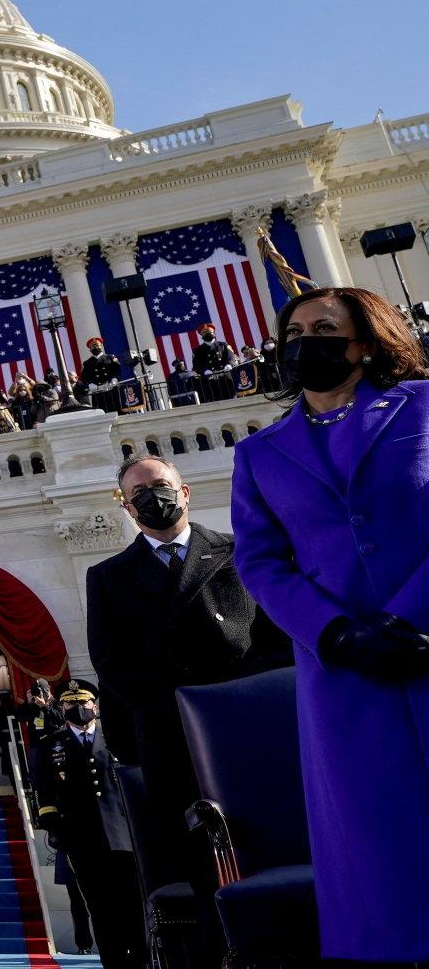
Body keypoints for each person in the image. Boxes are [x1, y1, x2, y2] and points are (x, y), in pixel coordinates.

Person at [229, 285, 429, 965]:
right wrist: (337, 633)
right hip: (344, 676)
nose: (301, 342)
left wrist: (406, 616)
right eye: (291, 333)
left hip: (423, 642)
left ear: (364, 342)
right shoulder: (258, 455)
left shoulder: (423, 406)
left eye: (321, 328)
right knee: (376, 849)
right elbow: (260, 563)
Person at [86, 454, 290, 911]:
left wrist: (232, 699)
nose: (151, 497)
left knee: (272, 846)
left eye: (158, 484)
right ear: (127, 508)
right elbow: (109, 660)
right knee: (197, 861)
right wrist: (176, 702)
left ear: (185, 492)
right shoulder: (107, 577)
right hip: (170, 737)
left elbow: (276, 640)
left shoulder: (239, 552)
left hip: (248, 727)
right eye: (137, 493)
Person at [33, 680, 141, 969]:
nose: (78, 708)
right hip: (81, 839)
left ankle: (141, 960)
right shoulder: (51, 745)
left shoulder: (118, 737)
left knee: (133, 904)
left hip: (124, 836)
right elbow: (43, 790)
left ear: (95, 704)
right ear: (62, 706)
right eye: (70, 703)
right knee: (101, 909)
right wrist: (54, 826)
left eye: (83, 702)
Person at [191, 323, 236, 401]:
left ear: (214, 333)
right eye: (205, 333)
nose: (208, 334)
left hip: (225, 378)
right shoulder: (198, 350)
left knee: (231, 397)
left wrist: (229, 364)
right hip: (210, 381)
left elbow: (231, 356)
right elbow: (196, 365)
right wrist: (204, 371)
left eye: (210, 333)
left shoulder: (223, 345)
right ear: (202, 336)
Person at [79, 338, 122, 413]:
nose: (95, 348)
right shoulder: (87, 363)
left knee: (117, 409)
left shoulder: (110, 357)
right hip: (98, 391)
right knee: (102, 411)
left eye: (97, 345)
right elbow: (85, 377)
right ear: (90, 349)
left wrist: (115, 378)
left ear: (101, 346)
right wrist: (90, 384)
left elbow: (117, 369)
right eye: (93, 347)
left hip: (111, 388)